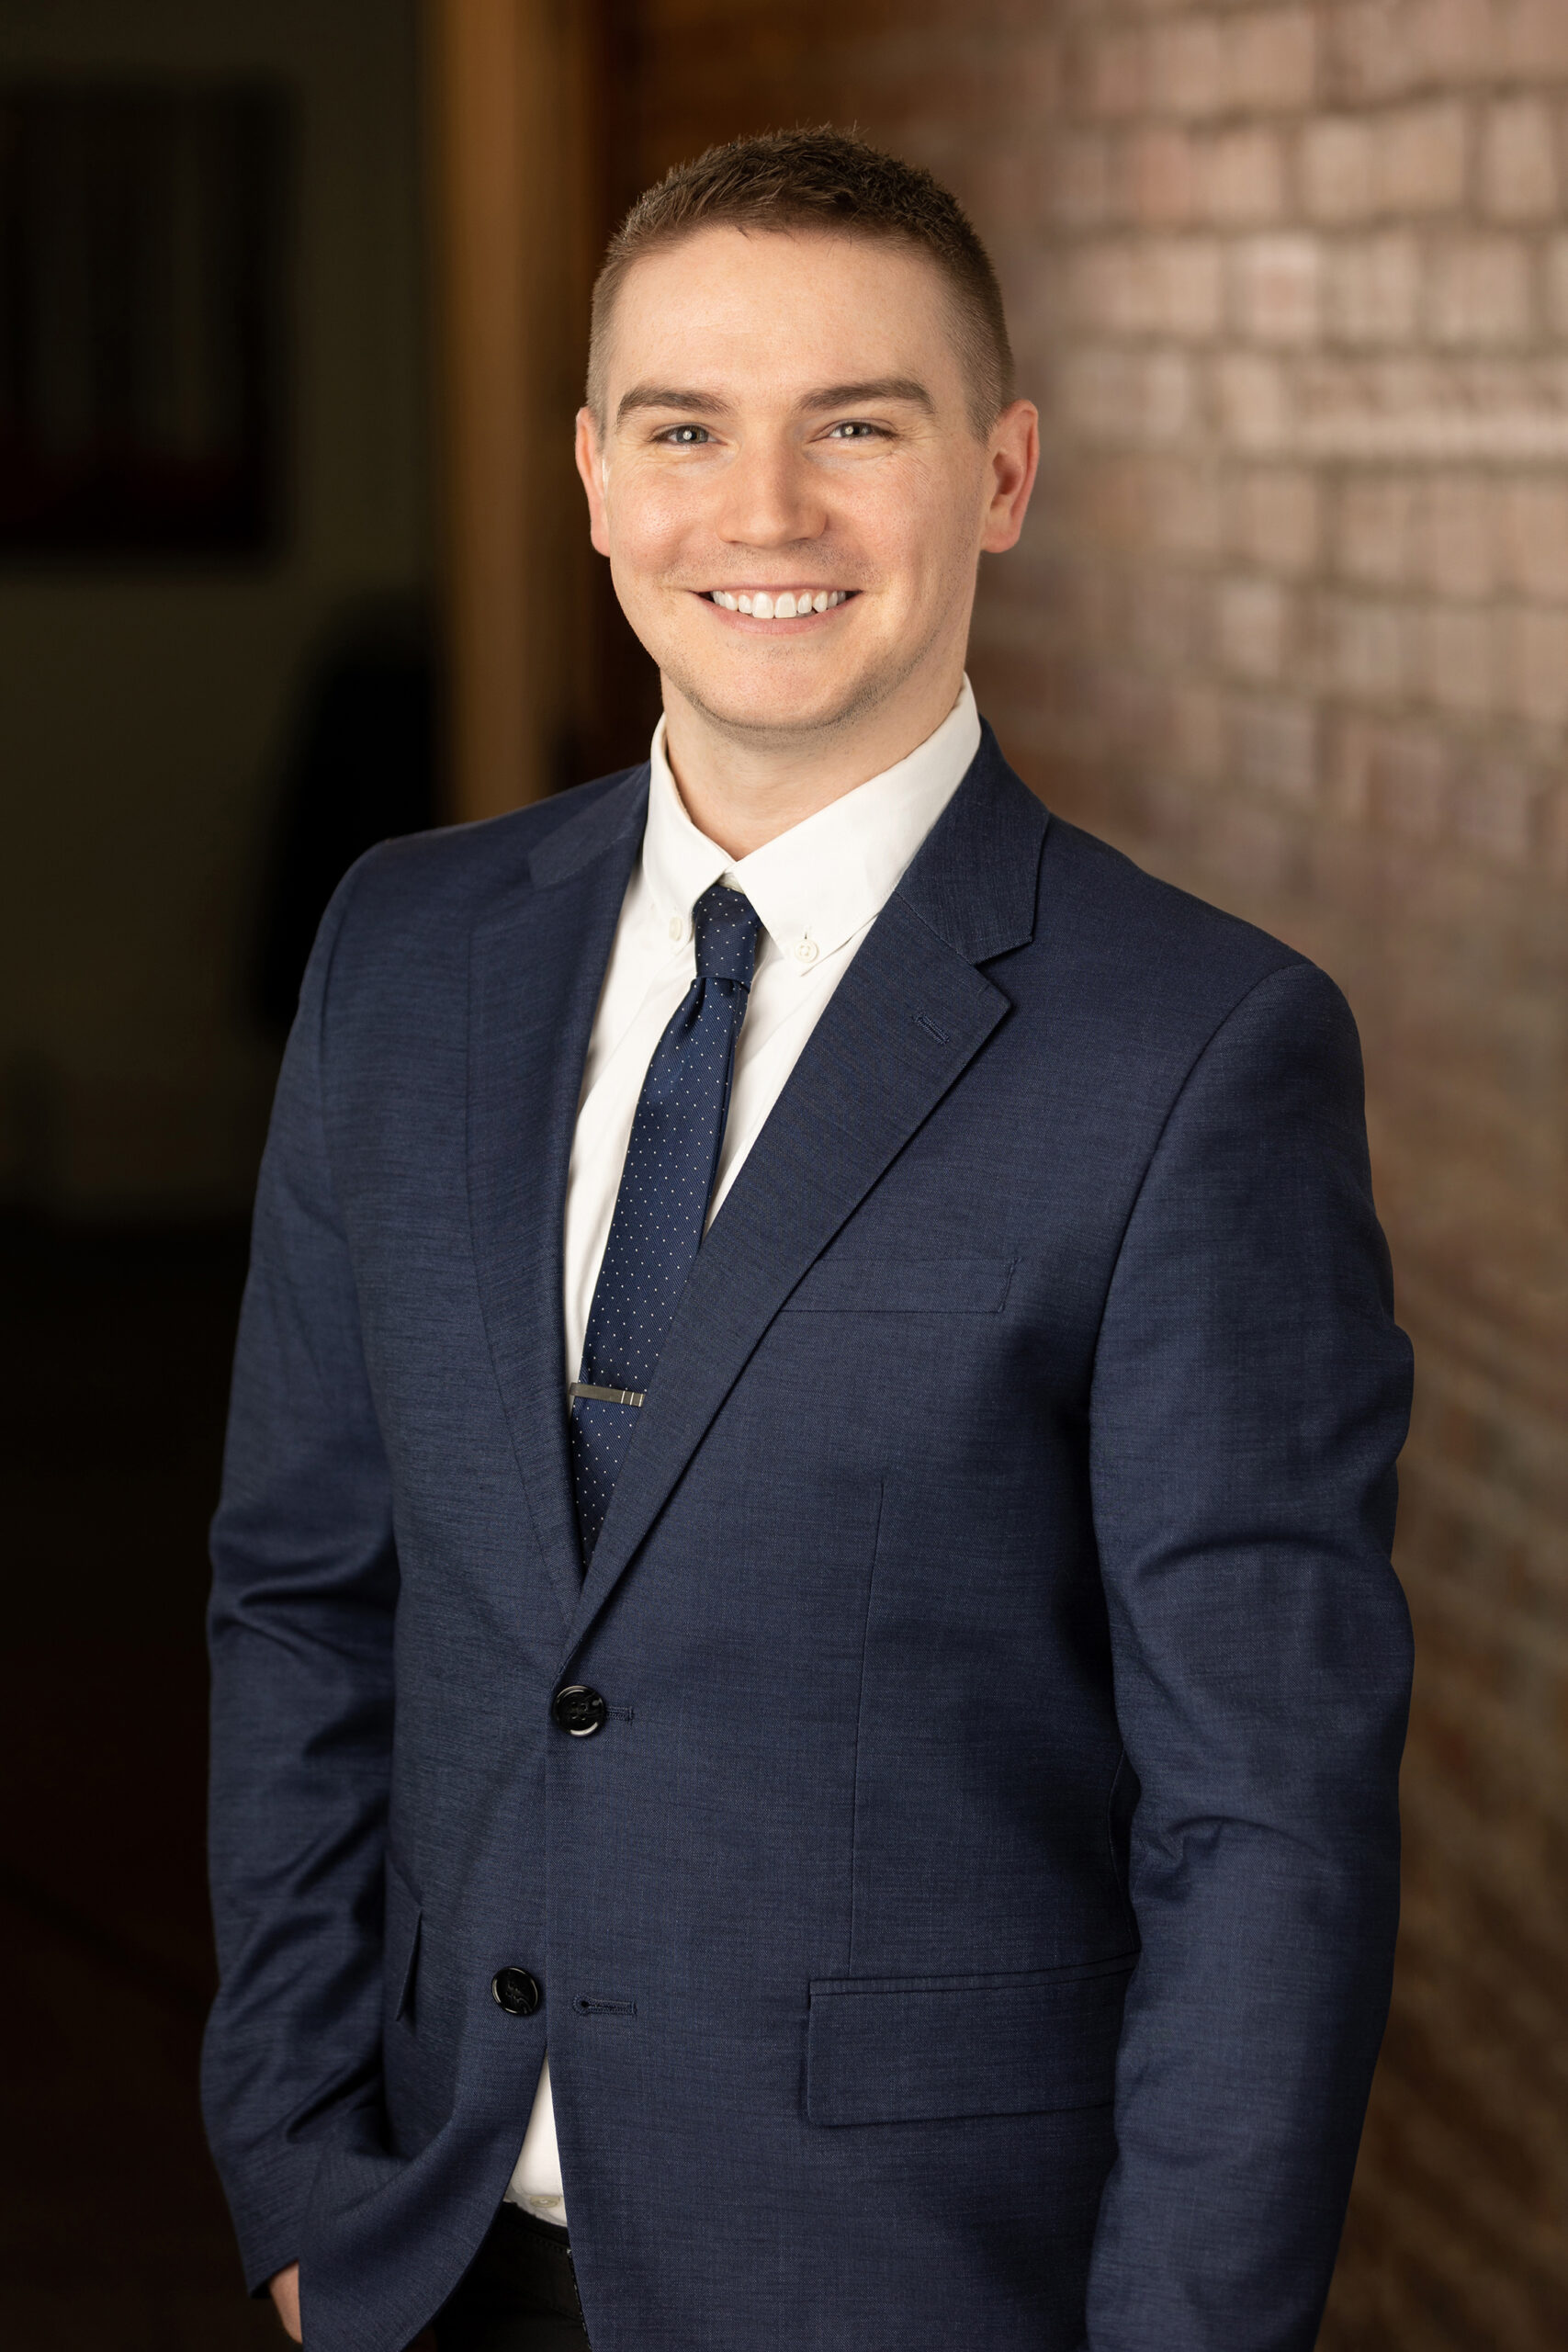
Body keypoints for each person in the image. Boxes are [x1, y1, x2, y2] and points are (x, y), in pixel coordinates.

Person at [203, 130, 1414, 2352]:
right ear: (590, 476)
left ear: (1002, 473)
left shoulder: (1198, 1051)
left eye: (855, 425)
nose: (758, 513)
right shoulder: (407, 950)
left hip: (918, 2290)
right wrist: (291, 2160)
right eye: (685, 429)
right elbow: (306, 1596)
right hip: (418, 2255)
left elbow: (1263, 1823)